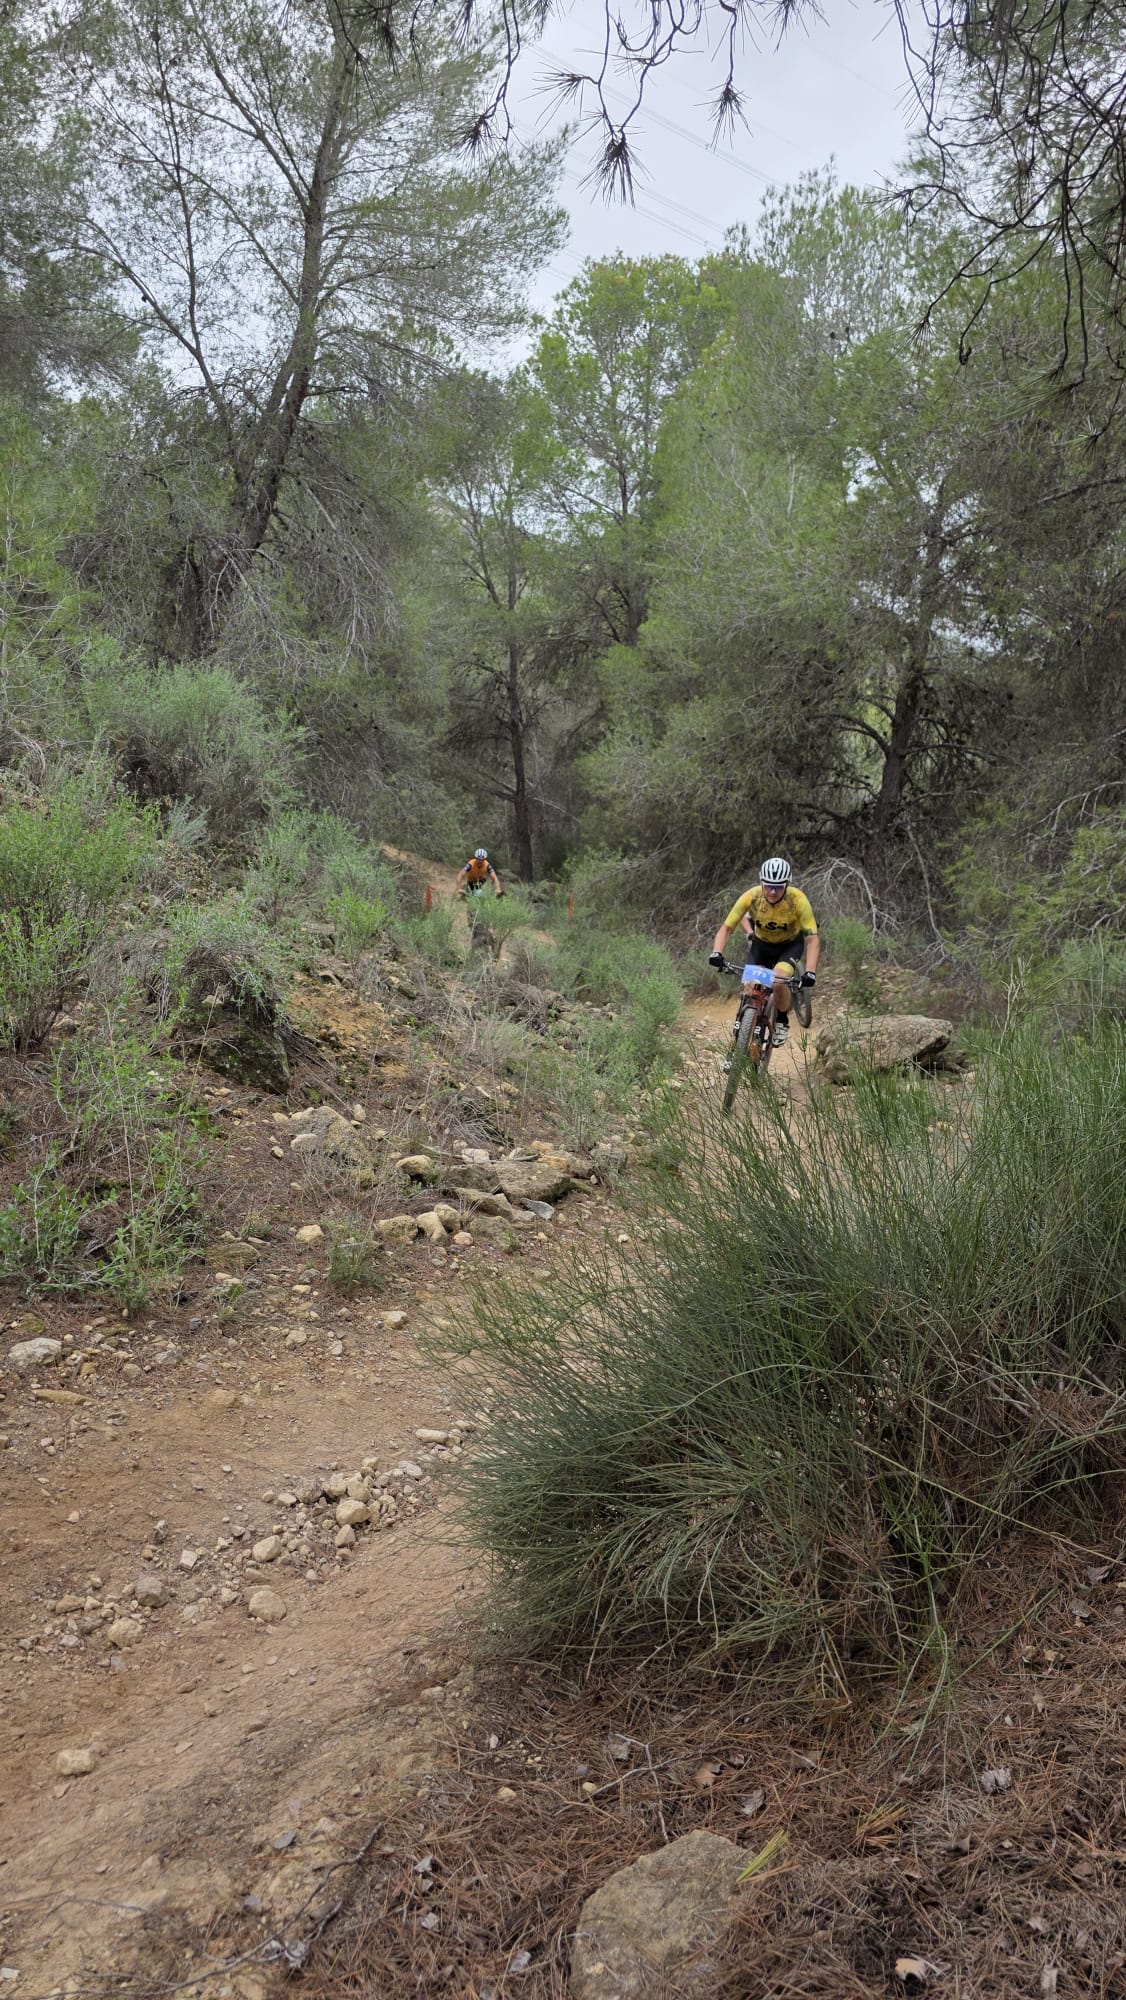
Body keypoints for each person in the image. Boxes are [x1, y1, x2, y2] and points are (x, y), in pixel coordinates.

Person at [708, 855, 819, 1048]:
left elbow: (811, 939)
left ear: (787, 884)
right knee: (752, 986)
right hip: (761, 946)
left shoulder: (798, 899)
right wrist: (717, 952)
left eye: (778, 886)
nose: (773, 891)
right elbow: (727, 928)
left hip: (789, 946)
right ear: (761, 882)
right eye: (768, 885)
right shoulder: (752, 896)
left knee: (777, 981)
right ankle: (742, 1035)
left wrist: (810, 971)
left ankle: (782, 1020)